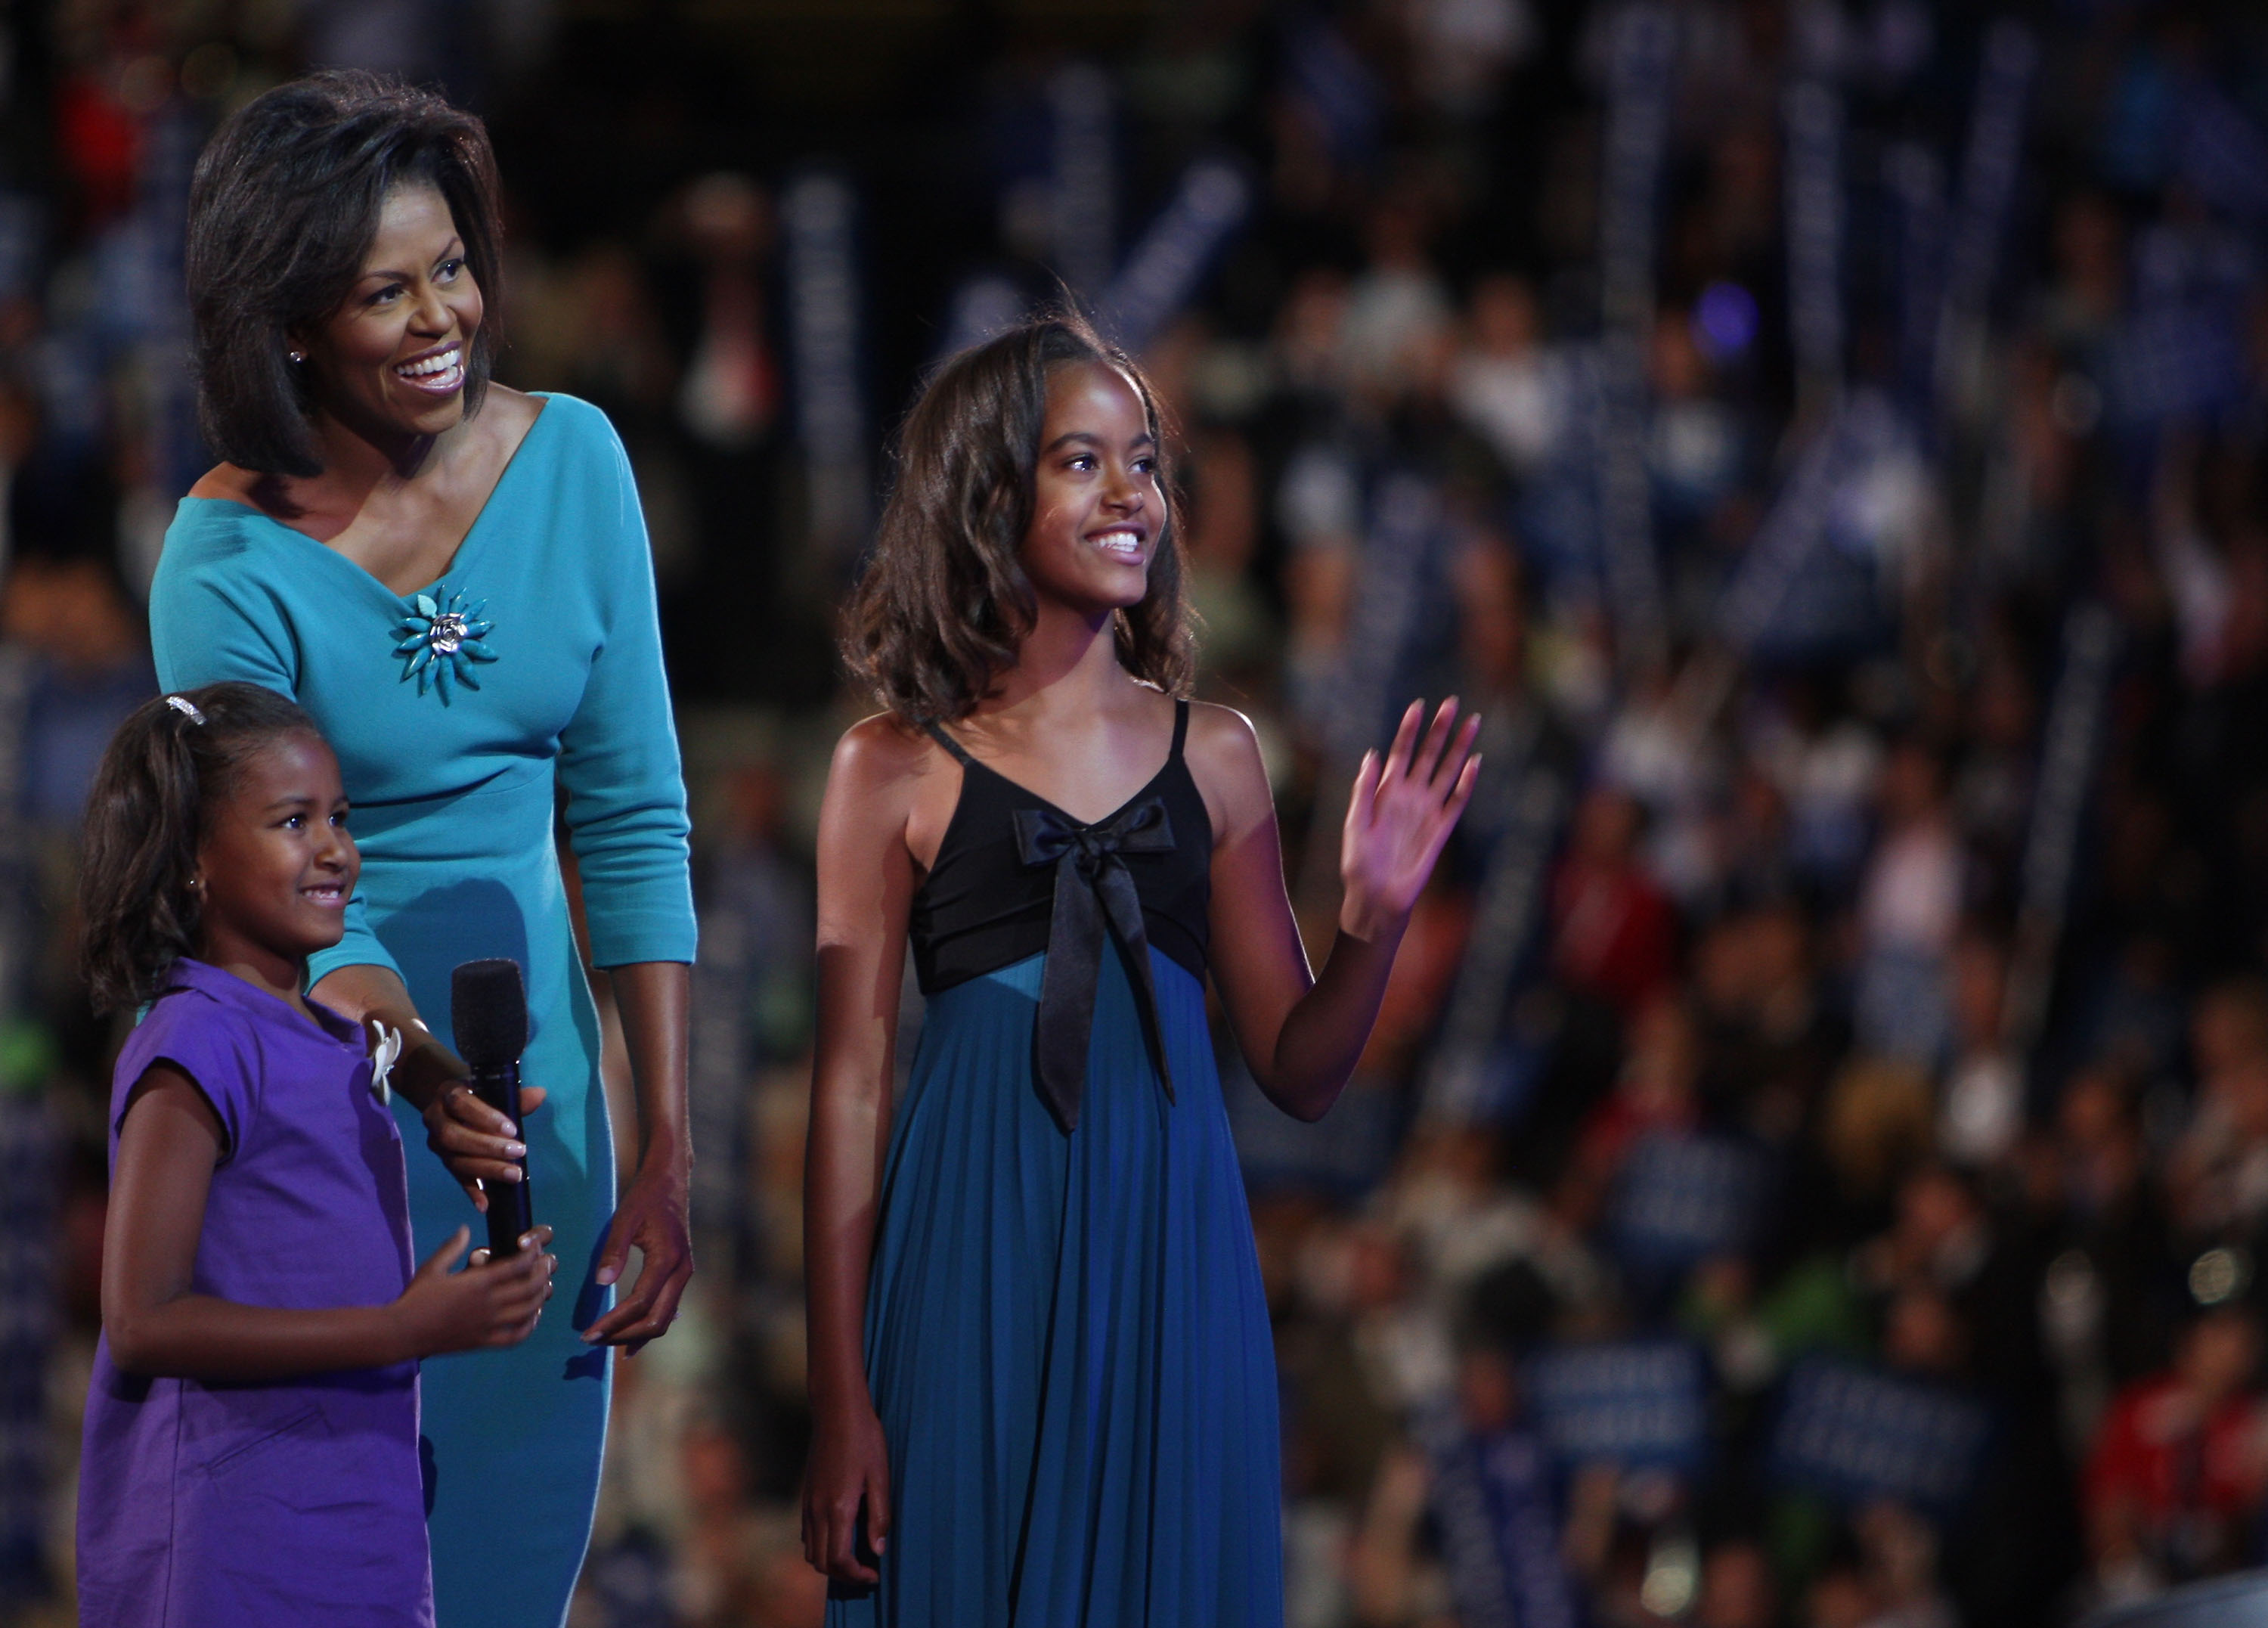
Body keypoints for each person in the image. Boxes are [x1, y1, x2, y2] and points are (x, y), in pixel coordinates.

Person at [801, 314, 1480, 1623]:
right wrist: (842, 1398)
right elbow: (848, 1090)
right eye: (1082, 461)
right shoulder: (888, 765)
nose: (1133, 496)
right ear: (990, 494)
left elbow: (1301, 1066)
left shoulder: (1220, 754)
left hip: (1172, 1262)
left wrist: (1376, 914)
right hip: (970, 1260)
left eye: (1148, 462)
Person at [147, 73, 697, 1626]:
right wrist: (415, 1067)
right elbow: (281, 895)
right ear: (291, 319)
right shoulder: (224, 558)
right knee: (339, 1570)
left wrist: (665, 1138)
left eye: (451, 267)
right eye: (383, 290)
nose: (438, 314)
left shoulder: (576, 461)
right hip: (327, 1119)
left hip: (550, 1119)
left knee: (509, 1566)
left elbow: (636, 812)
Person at [74, 682, 558, 1626]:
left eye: (339, 816)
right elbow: (140, 1318)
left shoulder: (333, 1042)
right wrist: (400, 1328)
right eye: (293, 821)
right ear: (192, 864)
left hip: (348, 1522)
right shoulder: (197, 1041)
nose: (336, 848)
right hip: (233, 1547)